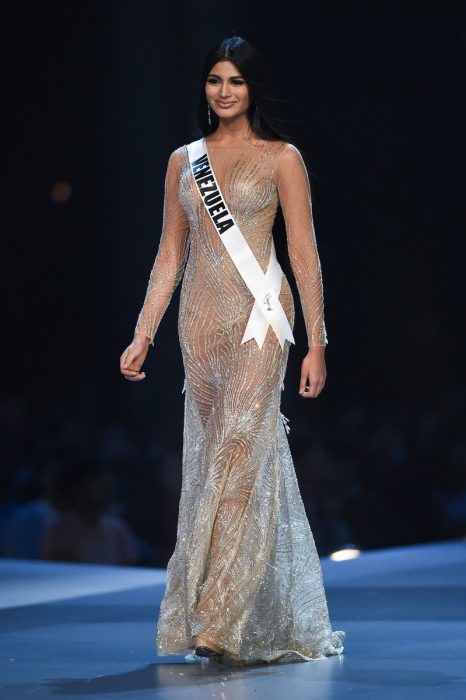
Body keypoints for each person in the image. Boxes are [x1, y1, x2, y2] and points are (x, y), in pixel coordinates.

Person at [119, 34, 345, 665]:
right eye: (215, 80)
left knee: (241, 456)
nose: (223, 91)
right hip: (200, 324)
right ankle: (236, 612)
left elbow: (304, 252)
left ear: (253, 89)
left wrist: (317, 344)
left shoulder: (282, 158)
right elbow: (169, 254)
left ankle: (217, 615)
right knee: (212, 457)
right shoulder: (181, 162)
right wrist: (143, 332)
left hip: (261, 321)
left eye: (235, 82)